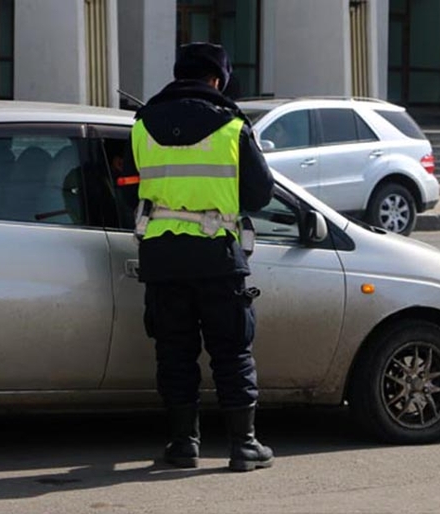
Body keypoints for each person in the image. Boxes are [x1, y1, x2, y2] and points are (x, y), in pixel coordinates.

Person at [122, 42, 275, 472]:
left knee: (174, 350)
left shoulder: (142, 124)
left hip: (161, 255)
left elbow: (133, 185)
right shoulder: (231, 126)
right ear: (216, 80)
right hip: (216, 255)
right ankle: (244, 446)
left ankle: (182, 444)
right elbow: (260, 194)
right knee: (231, 349)